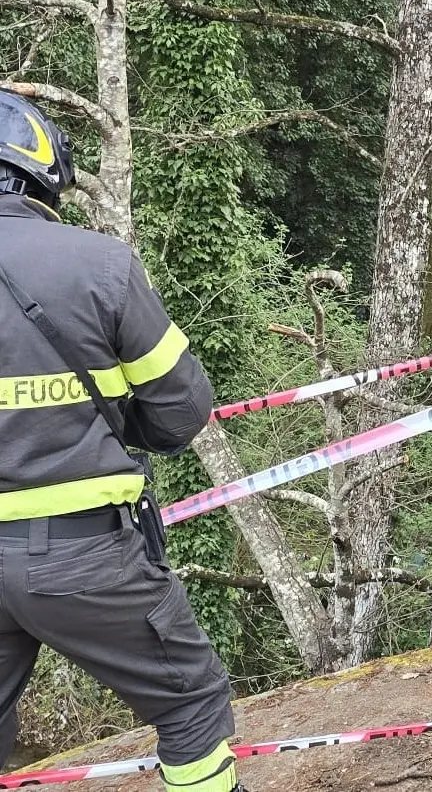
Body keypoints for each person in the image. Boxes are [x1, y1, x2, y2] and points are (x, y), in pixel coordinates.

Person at [0, 90, 247, 792]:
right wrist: (112, 421)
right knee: (191, 704)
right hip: (85, 554)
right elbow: (181, 408)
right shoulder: (98, 264)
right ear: (42, 170)